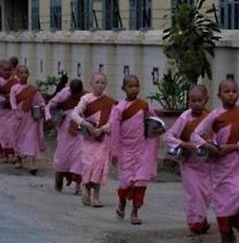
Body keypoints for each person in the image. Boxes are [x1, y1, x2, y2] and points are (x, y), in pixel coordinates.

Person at [191, 79, 239, 243]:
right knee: (222, 204)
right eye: (226, 91)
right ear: (219, 95)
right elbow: (195, 136)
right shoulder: (214, 116)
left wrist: (235, 147)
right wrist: (208, 146)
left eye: (234, 91)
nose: (230, 94)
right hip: (220, 166)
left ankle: (234, 226)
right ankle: (225, 238)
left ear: (238, 94)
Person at [110, 75, 161, 225]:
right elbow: (115, 131)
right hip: (125, 150)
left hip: (142, 149)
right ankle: (122, 204)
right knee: (126, 183)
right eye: (130, 86)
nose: (134, 89)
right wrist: (114, 152)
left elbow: (154, 121)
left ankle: (134, 212)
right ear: (123, 89)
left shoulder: (144, 105)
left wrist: (158, 130)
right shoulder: (119, 109)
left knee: (140, 182)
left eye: (136, 86)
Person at [164, 85, 212, 243]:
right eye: (193, 101)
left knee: (205, 195)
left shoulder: (212, 117)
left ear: (206, 100)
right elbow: (169, 137)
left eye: (200, 100)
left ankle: (202, 220)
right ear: (188, 101)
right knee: (193, 195)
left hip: (206, 164)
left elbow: (218, 137)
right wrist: (184, 144)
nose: (196, 104)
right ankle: (194, 228)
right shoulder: (185, 117)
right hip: (189, 164)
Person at [71, 72, 116, 207]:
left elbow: (113, 121)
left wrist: (102, 129)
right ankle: (85, 186)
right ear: (91, 84)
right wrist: (86, 124)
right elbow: (74, 114)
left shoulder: (110, 102)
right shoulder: (86, 99)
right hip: (88, 138)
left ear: (106, 84)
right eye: (97, 82)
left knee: (99, 165)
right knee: (89, 164)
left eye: (103, 83)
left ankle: (96, 196)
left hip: (102, 138)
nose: (100, 85)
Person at [45, 79, 85, 195]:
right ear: (70, 90)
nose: (76, 95)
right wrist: (49, 118)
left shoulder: (85, 95)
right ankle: (59, 178)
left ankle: (78, 186)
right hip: (64, 128)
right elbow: (49, 105)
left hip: (79, 127)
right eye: (74, 93)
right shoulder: (63, 94)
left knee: (80, 155)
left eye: (78, 92)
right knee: (62, 155)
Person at [10, 65, 45, 174]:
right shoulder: (14, 88)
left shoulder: (33, 90)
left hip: (31, 118)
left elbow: (40, 102)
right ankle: (19, 160)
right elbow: (12, 102)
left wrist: (42, 109)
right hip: (18, 118)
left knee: (32, 139)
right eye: (21, 73)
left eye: (26, 72)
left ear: (28, 74)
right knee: (18, 139)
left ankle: (32, 164)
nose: (24, 75)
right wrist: (16, 111)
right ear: (17, 75)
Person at [0, 60, 19, 163]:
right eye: (5, 70)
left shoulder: (15, 80)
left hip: (12, 112)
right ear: (0, 69)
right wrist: (4, 98)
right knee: (3, 133)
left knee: (12, 132)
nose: (7, 72)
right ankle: (5, 153)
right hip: (2, 111)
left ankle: (11, 153)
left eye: (9, 70)